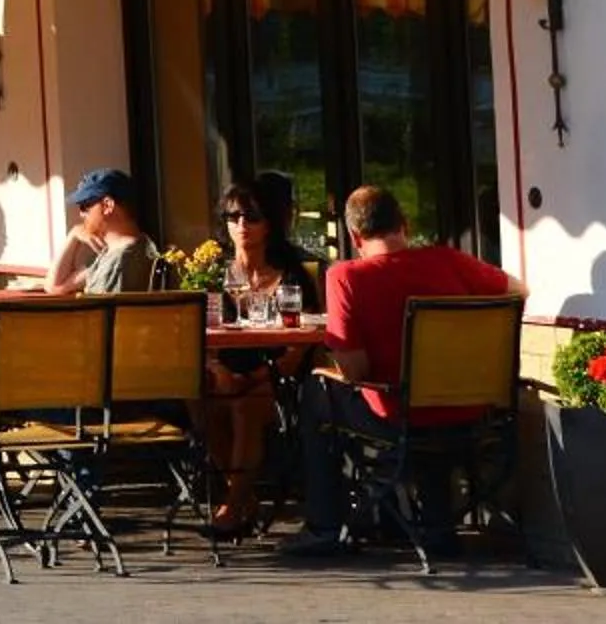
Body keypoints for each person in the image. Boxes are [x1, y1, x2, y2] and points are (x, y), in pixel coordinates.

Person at [286, 183, 514, 559]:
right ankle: (434, 526)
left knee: (317, 391)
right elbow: (517, 291)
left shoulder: (347, 277)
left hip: (401, 417)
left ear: (355, 237)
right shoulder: (448, 260)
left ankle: (325, 527)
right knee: (420, 398)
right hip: (475, 410)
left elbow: (356, 370)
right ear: (404, 224)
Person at [206, 178, 322, 533]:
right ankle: (245, 499)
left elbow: (300, 346)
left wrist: (255, 376)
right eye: (233, 216)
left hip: (276, 380)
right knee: (198, 399)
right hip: (224, 374)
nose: (241, 225)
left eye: (252, 216)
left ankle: (232, 508)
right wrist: (216, 368)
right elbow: (198, 333)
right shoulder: (212, 273)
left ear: (269, 222)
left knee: (245, 405)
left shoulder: (292, 276)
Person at [52, 168, 158, 294]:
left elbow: (100, 313)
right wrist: (74, 234)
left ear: (107, 206)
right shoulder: (123, 249)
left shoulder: (119, 262)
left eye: (85, 206)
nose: (81, 214)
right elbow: (56, 286)